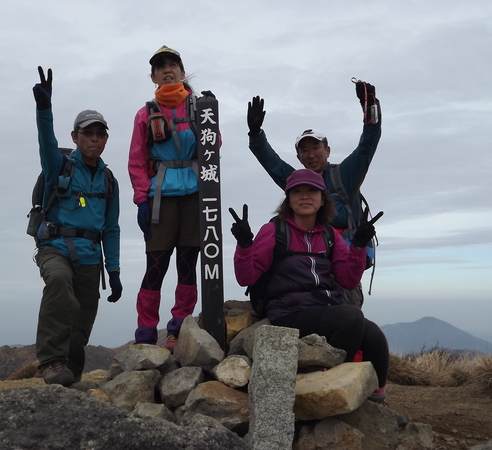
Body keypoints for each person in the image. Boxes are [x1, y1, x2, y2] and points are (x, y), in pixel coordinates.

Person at [230, 169, 389, 401]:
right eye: (297, 191)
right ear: (289, 199)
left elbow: (348, 280)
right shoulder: (274, 231)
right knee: (352, 318)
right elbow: (247, 277)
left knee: (374, 335)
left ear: (323, 199)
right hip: (289, 313)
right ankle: (330, 389)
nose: (305, 196)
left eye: (312, 191)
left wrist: (358, 246)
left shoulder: (330, 235)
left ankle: (376, 402)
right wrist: (245, 245)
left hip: (324, 310)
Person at [246, 80, 381, 306]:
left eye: (316, 148)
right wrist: (256, 134)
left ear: (327, 150)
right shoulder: (296, 182)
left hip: (341, 263)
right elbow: (274, 165)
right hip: (306, 264)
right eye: (304, 150)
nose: (310, 155)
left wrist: (370, 109)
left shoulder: (344, 175)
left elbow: (367, 145)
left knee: (346, 320)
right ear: (298, 157)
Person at [32, 66, 122, 386]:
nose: (94, 139)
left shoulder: (109, 181)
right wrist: (45, 109)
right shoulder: (59, 165)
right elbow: (46, 141)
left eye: (100, 134)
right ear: (75, 137)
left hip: (89, 257)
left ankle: (69, 370)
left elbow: (111, 229)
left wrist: (113, 272)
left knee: (83, 318)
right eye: (88, 133)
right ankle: (52, 362)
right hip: (54, 247)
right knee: (58, 282)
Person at [128, 45, 211, 349]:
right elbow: (136, 161)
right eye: (160, 66)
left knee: (188, 264)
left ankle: (178, 328)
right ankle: (146, 332)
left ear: (181, 70)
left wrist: (209, 111)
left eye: (172, 64)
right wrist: (141, 200)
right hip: (160, 197)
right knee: (156, 265)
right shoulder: (144, 114)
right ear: (152, 76)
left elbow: (214, 148)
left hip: (194, 196)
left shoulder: (200, 108)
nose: (167, 69)